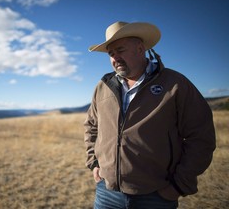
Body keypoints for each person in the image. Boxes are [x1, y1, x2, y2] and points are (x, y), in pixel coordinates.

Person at [84, 21, 216, 209]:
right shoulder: (103, 86)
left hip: (156, 194)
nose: (115, 57)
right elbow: (91, 126)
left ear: (140, 48)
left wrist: (178, 185)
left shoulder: (174, 83)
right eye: (111, 53)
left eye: (120, 50)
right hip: (108, 193)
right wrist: (94, 162)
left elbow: (201, 136)